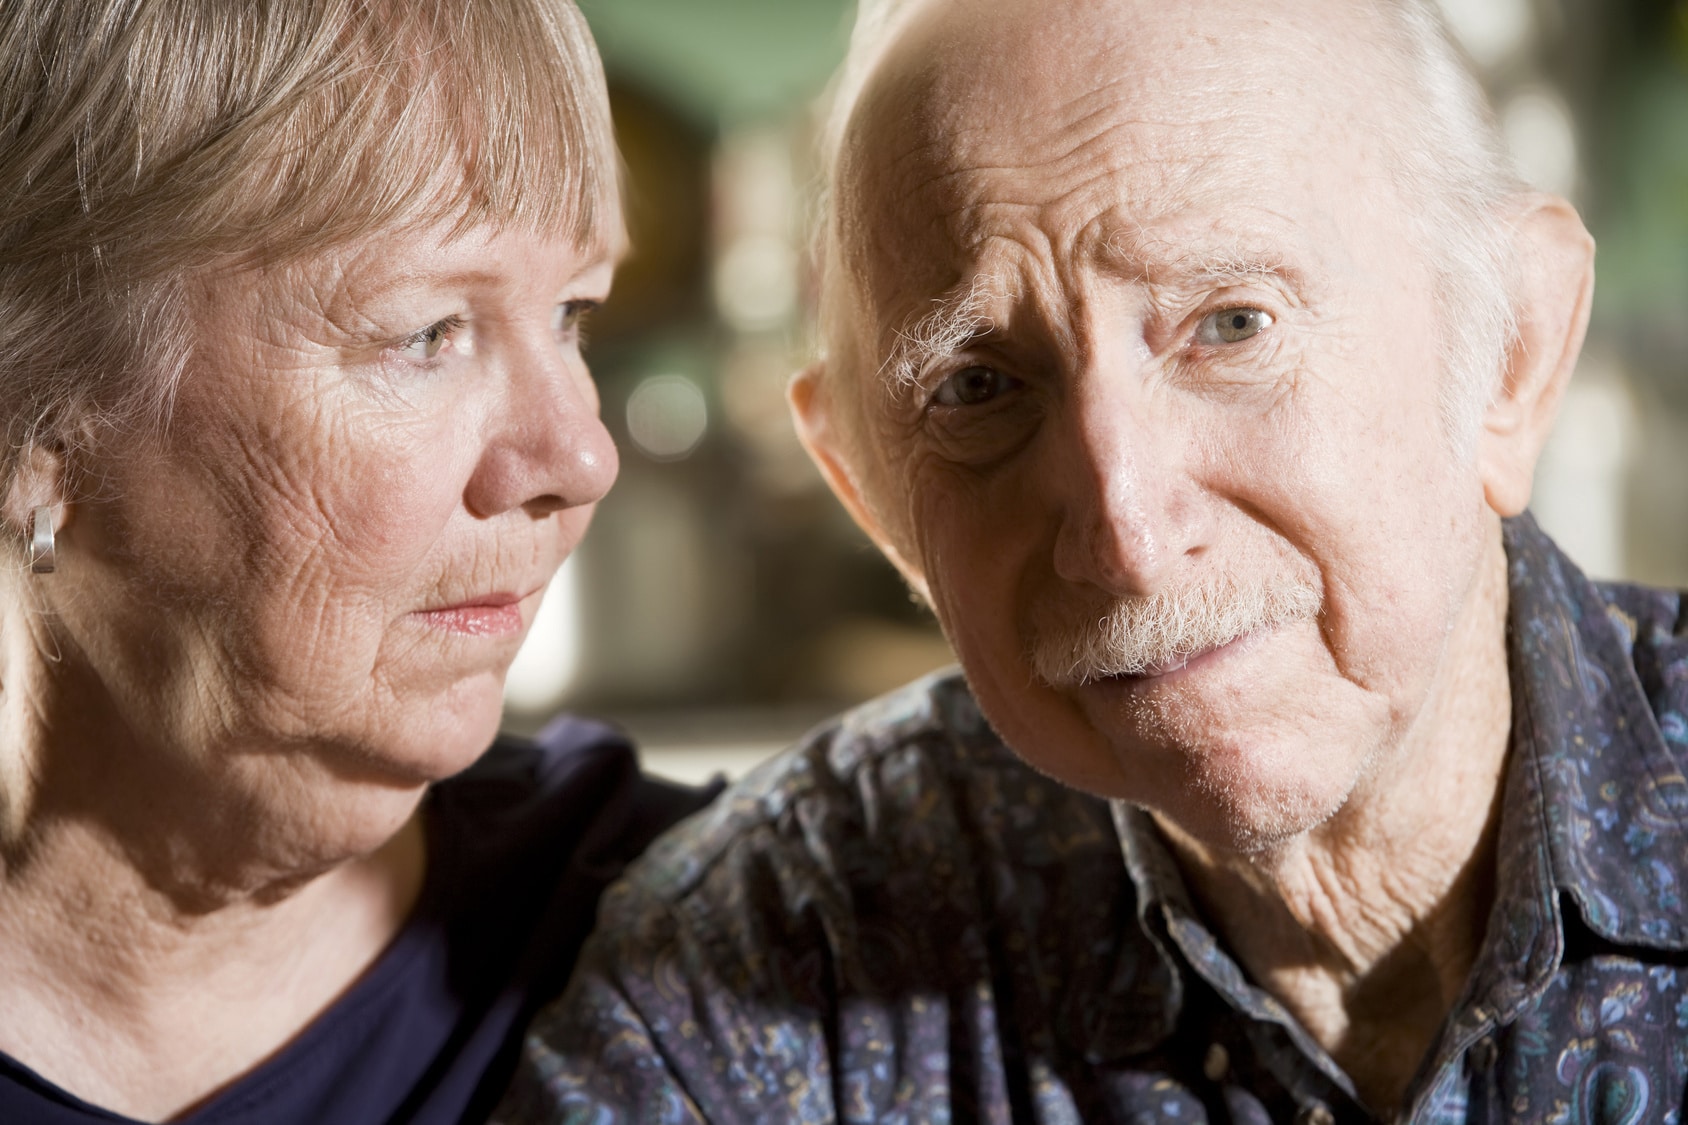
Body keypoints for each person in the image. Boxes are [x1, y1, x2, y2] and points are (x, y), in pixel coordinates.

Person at [501, 0, 1688, 1122]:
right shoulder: (760, 969)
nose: (1122, 531)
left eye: (1230, 325)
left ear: (1511, 355)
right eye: (977, 389)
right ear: (870, 499)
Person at [0, 2, 716, 1122]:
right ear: (37, 425)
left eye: (575, 315)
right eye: (427, 331)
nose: (580, 456)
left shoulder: (703, 936)